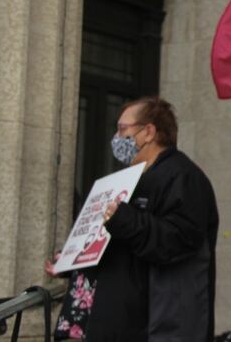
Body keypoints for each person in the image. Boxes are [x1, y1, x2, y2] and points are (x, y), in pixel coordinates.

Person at [86, 96, 219, 342]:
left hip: (160, 325)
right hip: (123, 323)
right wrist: (74, 259)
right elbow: (121, 246)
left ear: (148, 132)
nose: (116, 137)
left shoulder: (183, 178)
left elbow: (177, 240)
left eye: (123, 129)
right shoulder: (130, 179)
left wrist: (125, 219)